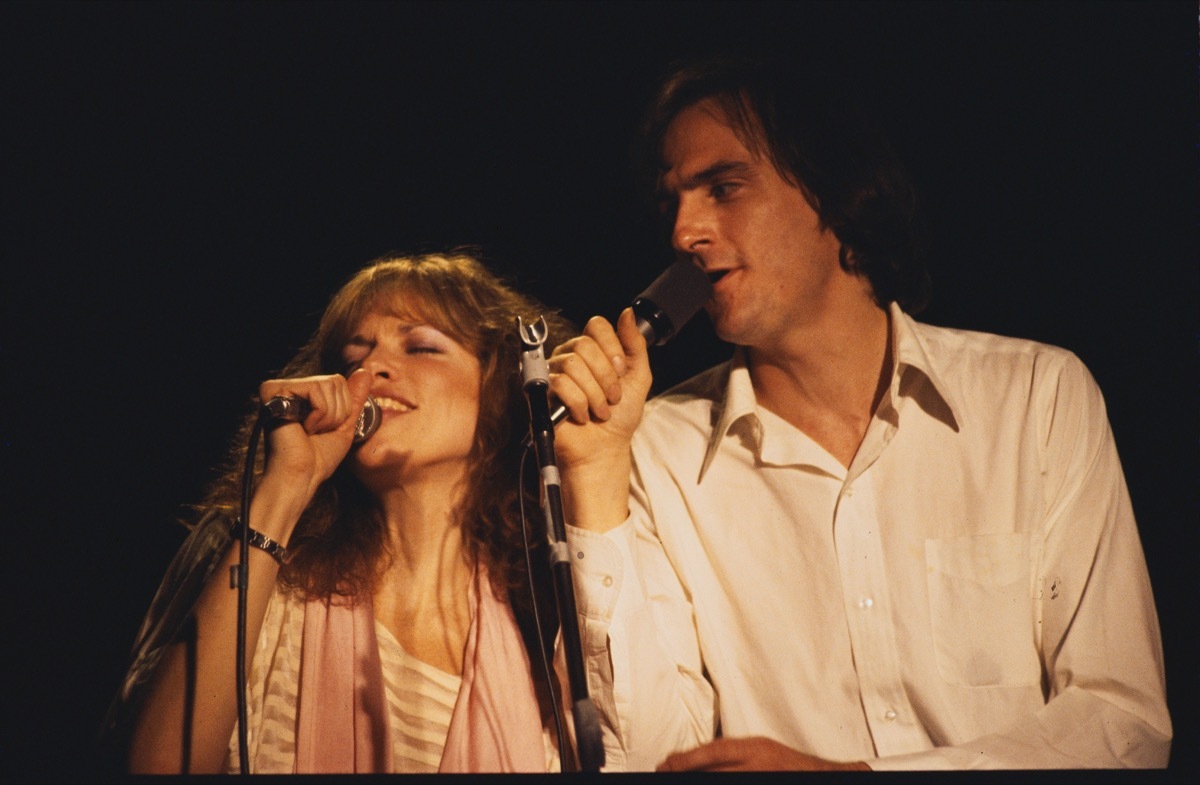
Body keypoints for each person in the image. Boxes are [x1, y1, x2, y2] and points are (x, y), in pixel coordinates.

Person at [548, 55, 1172, 770]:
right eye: (672, 203)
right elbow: (648, 754)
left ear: (836, 192)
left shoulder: (1034, 396)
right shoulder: (655, 449)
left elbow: (1121, 723)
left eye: (723, 188)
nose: (684, 231)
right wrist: (595, 473)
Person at [101, 252, 576, 773]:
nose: (372, 369)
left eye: (421, 346)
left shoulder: (542, 615)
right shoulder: (258, 555)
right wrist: (286, 487)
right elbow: (157, 768)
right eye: (353, 357)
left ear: (499, 388)